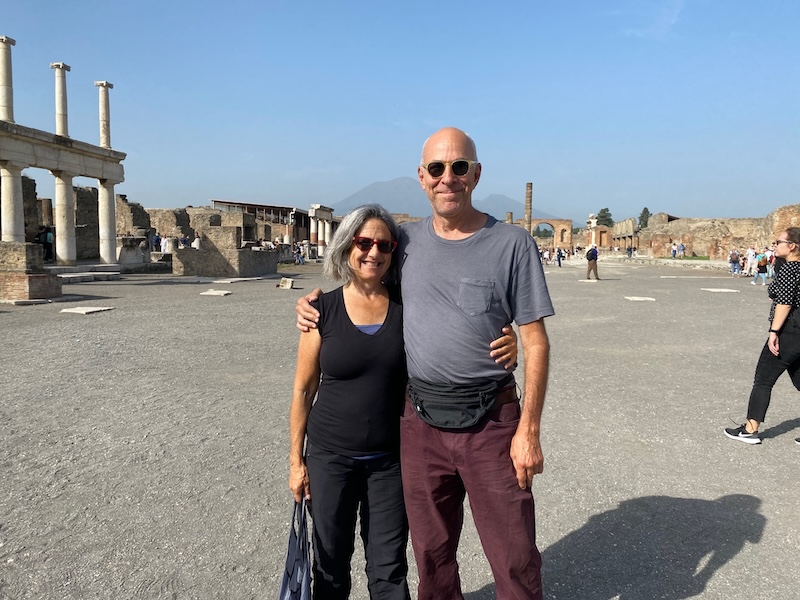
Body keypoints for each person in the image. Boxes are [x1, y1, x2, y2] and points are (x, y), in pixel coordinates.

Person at [297, 127, 554, 599]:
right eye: (437, 168)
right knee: (431, 556)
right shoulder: (404, 243)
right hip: (420, 425)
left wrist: (529, 430)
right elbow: (363, 278)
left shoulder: (512, 244)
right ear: (421, 176)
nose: (447, 178)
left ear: (476, 174)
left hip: (492, 422)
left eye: (459, 167)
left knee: (513, 553)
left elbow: (536, 342)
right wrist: (315, 302)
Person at [724, 227, 800, 446]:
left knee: (763, 380)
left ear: (792, 246)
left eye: (779, 241)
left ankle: (750, 429)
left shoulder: (790, 268)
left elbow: (785, 303)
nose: (775, 245)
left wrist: (774, 332)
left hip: (789, 330)